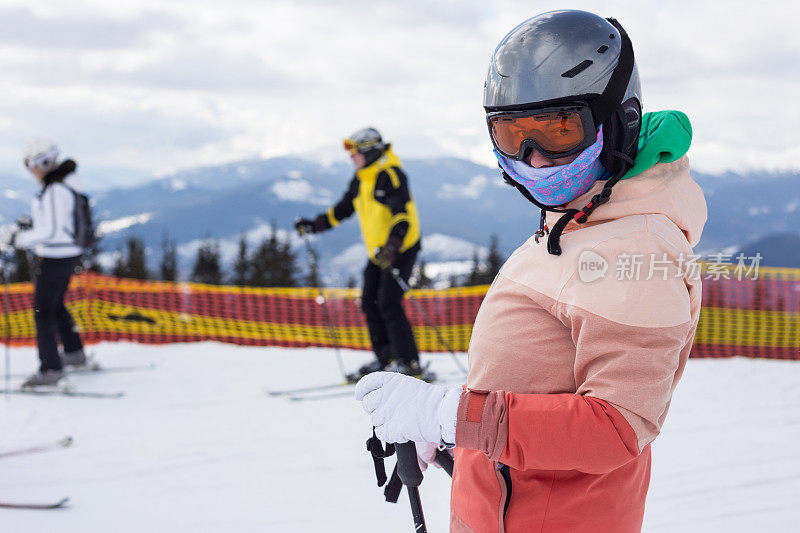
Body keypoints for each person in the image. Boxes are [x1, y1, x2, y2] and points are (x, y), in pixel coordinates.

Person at [355, 10, 706, 532]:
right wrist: (460, 430)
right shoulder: (581, 217)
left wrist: (447, 413)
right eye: (512, 134)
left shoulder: (636, 248)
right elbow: (537, 374)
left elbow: (614, 430)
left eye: (559, 130)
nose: (534, 159)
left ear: (619, 122)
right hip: (503, 504)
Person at [295, 127, 427, 381]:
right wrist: (314, 225)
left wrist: (392, 246)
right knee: (369, 302)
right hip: (378, 252)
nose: (351, 158)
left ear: (369, 152)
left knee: (388, 302)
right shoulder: (361, 178)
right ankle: (385, 359)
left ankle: (409, 363)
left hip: (400, 249)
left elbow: (402, 216)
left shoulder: (390, 175)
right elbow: (342, 209)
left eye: (355, 153)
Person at [11, 140, 88, 388]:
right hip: (67, 254)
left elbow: (52, 231)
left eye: (31, 166)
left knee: (42, 312)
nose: (30, 171)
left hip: (56, 256)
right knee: (55, 306)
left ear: (43, 162)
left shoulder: (55, 190)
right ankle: (74, 353)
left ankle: (51, 369)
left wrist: (19, 239)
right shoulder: (64, 185)